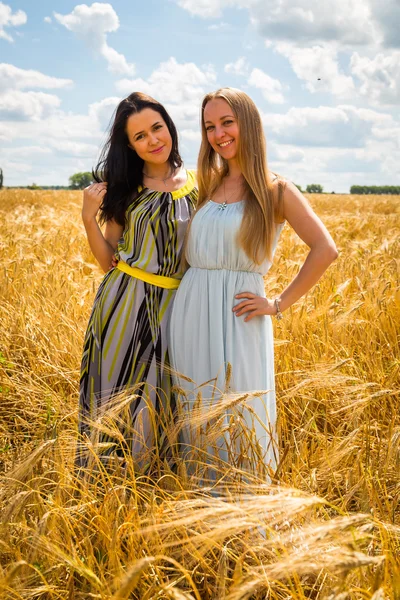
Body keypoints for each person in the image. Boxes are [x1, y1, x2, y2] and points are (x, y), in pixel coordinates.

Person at [168, 88, 338, 483]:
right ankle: (198, 510)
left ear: (249, 123)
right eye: (210, 126)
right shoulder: (207, 185)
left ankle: (245, 512)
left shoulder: (275, 189)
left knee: (241, 411)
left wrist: (278, 303)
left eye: (227, 122)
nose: (219, 134)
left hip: (240, 315)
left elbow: (325, 249)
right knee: (194, 407)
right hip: (191, 312)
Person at [77, 92, 197, 469]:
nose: (153, 140)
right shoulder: (127, 187)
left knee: (165, 401)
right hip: (124, 303)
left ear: (169, 126)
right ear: (130, 145)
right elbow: (105, 259)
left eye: (157, 128)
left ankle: (152, 485)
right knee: (114, 397)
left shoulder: (200, 183)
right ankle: (104, 486)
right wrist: (87, 217)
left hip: (178, 307)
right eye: (140, 136)